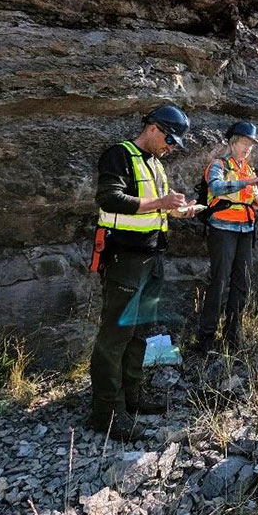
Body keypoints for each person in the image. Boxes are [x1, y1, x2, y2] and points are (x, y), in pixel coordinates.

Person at [90, 105, 197, 441]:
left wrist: (180, 211)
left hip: (151, 259)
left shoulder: (154, 164)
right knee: (114, 338)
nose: (171, 146)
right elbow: (109, 199)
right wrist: (159, 204)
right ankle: (107, 414)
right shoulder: (119, 155)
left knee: (139, 332)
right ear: (153, 128)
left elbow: (154, 210)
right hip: (125, 259)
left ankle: (132, 397)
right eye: (169, 138)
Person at [193, 121, 258, 353]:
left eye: (251, 145)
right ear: (233, 142)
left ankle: (233, 335)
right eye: (244, 143)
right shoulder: (218, 165)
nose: (247, 149)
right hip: (222, 230)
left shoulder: (249, 170)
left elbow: (255, 203)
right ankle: (206, 337)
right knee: (220, 281)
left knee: (241, 282)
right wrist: (249, 182)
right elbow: (216, 188)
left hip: (246, 230)